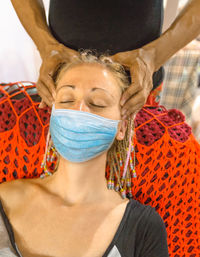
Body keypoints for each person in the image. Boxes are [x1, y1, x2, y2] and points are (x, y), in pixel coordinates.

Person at [0, 53, 169, 257]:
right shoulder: (5, 199)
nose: (79, 110)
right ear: (53, 115)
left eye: (98, 103)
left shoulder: (142, 227)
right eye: (67, 99)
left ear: (122, 127)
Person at [10, 0, 200, 118]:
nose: (83, 113)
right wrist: (46, 46)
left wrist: (153, 56)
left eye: (96, 104)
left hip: (136, 83)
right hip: (61, 75)